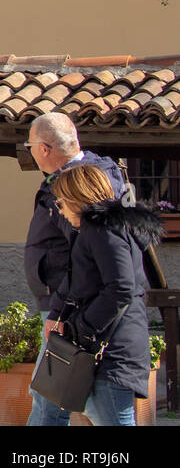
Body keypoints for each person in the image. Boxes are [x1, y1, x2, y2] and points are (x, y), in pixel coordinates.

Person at [22, 113, 125, 426]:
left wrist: (59, 312)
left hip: (69, 307)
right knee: (54, 397)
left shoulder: (74, 187)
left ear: (44, 149)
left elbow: (84, 256)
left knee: (53, 397)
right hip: (67, 306)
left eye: (30, 146)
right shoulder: (87, 176)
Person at [49, 164, 160, 425]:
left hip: (113, 350)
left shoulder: (103, 230)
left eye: (61, 202)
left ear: (77, 197)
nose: (59, 210)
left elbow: (121, 287)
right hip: (111, 345)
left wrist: (84, 327)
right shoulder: (98, 229)